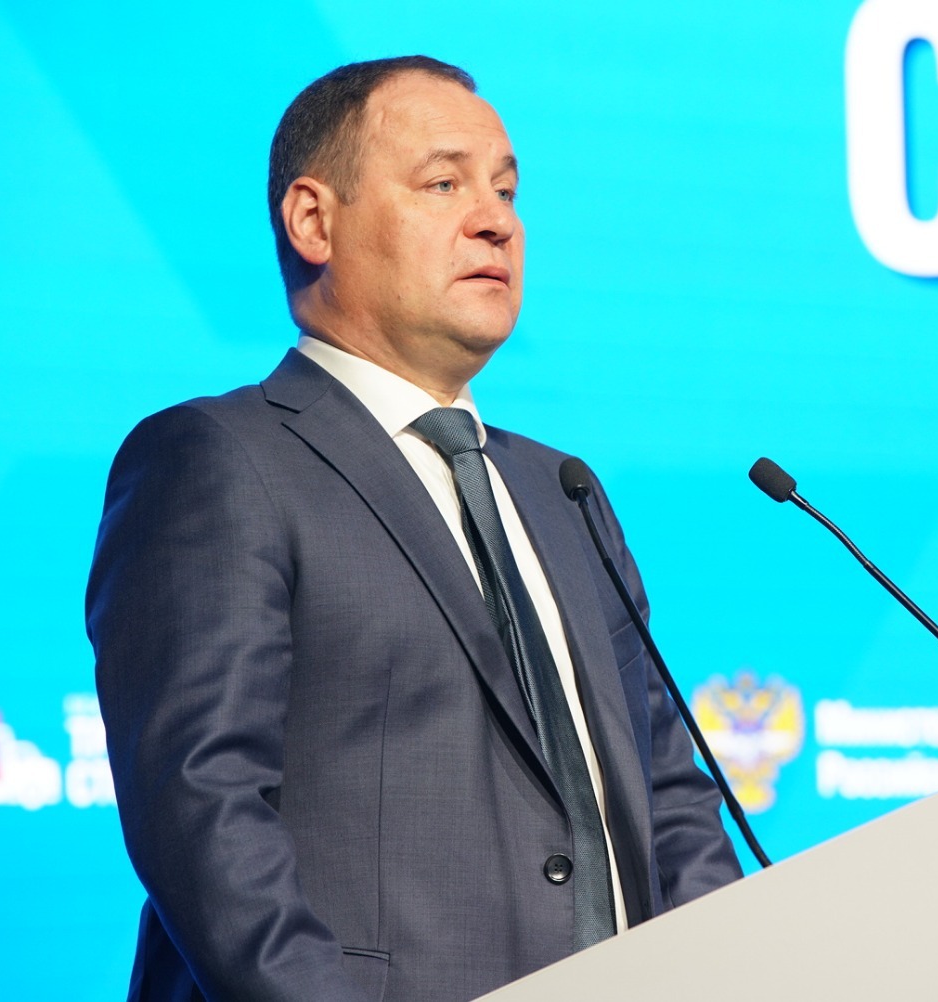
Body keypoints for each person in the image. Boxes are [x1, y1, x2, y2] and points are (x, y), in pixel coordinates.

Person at [86, 56, 742, 1002]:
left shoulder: (561, 489)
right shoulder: (220, 459)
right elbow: (203, 812)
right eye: (444, 184)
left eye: (506, 190)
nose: (496, 220)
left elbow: (669, 797)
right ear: (314, 221)